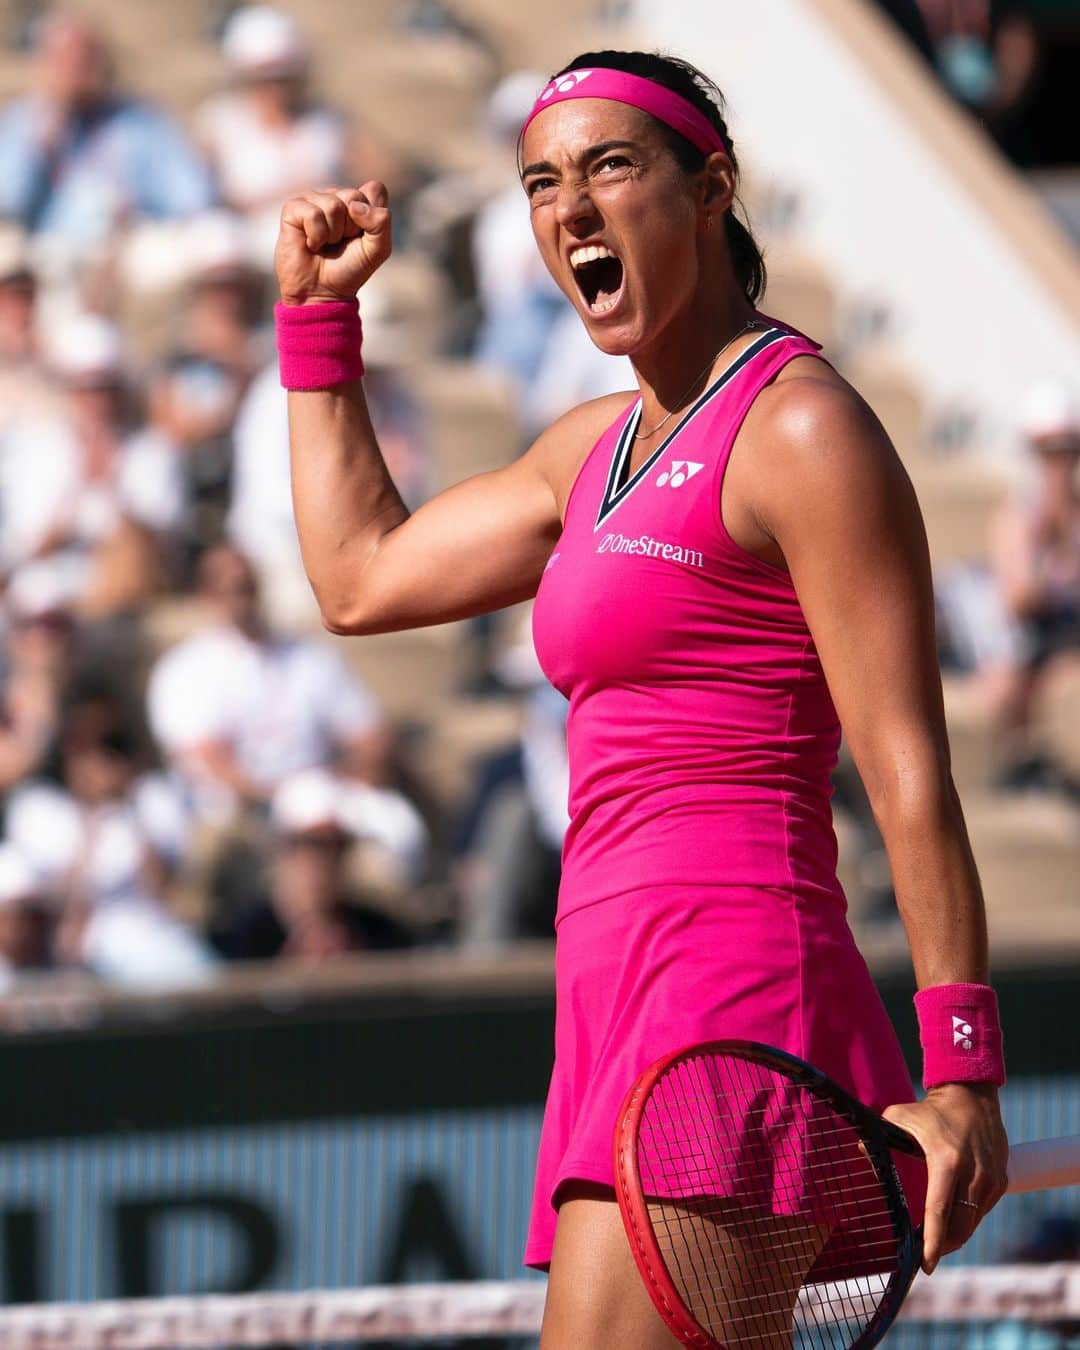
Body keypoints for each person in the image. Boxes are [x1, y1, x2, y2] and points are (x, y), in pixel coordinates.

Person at [273, 50, 1009, 1348]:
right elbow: (359, 578)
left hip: (732, 989)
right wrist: (319, 327)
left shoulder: (802, 430)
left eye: (612, 166)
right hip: (609, 989)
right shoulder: (585, 449)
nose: (571, 210)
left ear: (710, 187)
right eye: (542, 183)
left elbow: (907, 770)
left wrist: (963, 1070)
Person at [146, 544, 391, 825]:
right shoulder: (184, 669)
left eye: (246, 585)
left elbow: (369, 736)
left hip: (321, 798)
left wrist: (343, 783)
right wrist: (281, 798)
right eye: (230, 588)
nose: (241, 597)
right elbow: (205, 760)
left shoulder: (310, 657)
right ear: (206, 594)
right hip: (236, 810)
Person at [0, 9, 214, 250]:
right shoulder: (23, 121)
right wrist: (42, 143)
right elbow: (8, 203)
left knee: (211, 238)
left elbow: (192, 196)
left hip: (130, 246)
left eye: (85, 60)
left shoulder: (140, 121)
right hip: (49, 248)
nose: (76, 71)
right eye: (65, 60)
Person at [985, 381, 1080, 787]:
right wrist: (1048, 535)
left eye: (1067, 450)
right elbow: (1020, 599)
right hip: (1035, 647)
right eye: (1049, 452)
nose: (1059, 464)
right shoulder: (1018, 520)